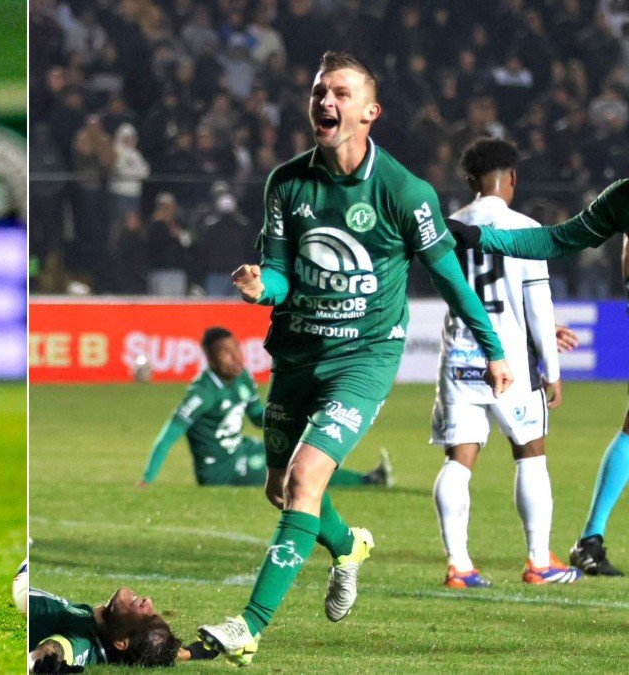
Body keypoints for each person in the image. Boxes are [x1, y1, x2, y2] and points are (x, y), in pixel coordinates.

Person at [198, 52, 512, 666]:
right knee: (281, 490)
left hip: (364, 359)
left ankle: (249, 624)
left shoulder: (404, 192)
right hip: (295, 354)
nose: (325, 102)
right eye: (319, 92)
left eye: (339, 92)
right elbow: (286, 276)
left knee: (306, 479)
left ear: (370, 112)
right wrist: (266, 284)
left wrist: (494, 349)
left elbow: (450, 278)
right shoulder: (286, 183)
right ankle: (348, 546)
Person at [449, 178, 629, 577]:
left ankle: (590, 539)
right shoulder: (623, 197)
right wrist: (481, 237)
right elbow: (554, 241)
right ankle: (591, 539)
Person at [431, 138, 580, 589]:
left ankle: (459, 565)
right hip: (510, 359)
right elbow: (538, 306)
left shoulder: (447, 227)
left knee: (459, 460)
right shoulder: (524, 227)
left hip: (459, 353)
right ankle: (539, 561)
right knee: (530, 454)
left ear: (470, 181)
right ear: (512, 178)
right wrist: (551, 372)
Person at [138, 326, 392, 488]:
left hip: (240, 450)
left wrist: (292, 414)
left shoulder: (242, 378)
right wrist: (146, 480)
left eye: (236, 348)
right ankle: (367, 481)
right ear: (211, 359)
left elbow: (257, 417)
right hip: (220, 471)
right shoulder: (202, 393)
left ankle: (366, 479)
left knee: (296, 457)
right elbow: (168, 435)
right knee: (293, 471)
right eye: (226, 353)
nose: (237, 356)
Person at [28, 586, 186, 671]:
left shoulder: (83, 638)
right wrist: (193, 652)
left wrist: (40, 661)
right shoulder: (97, 630)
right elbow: (149, 656)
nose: (149, 601)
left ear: (121, 641)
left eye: (148, 617)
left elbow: (57, 650)